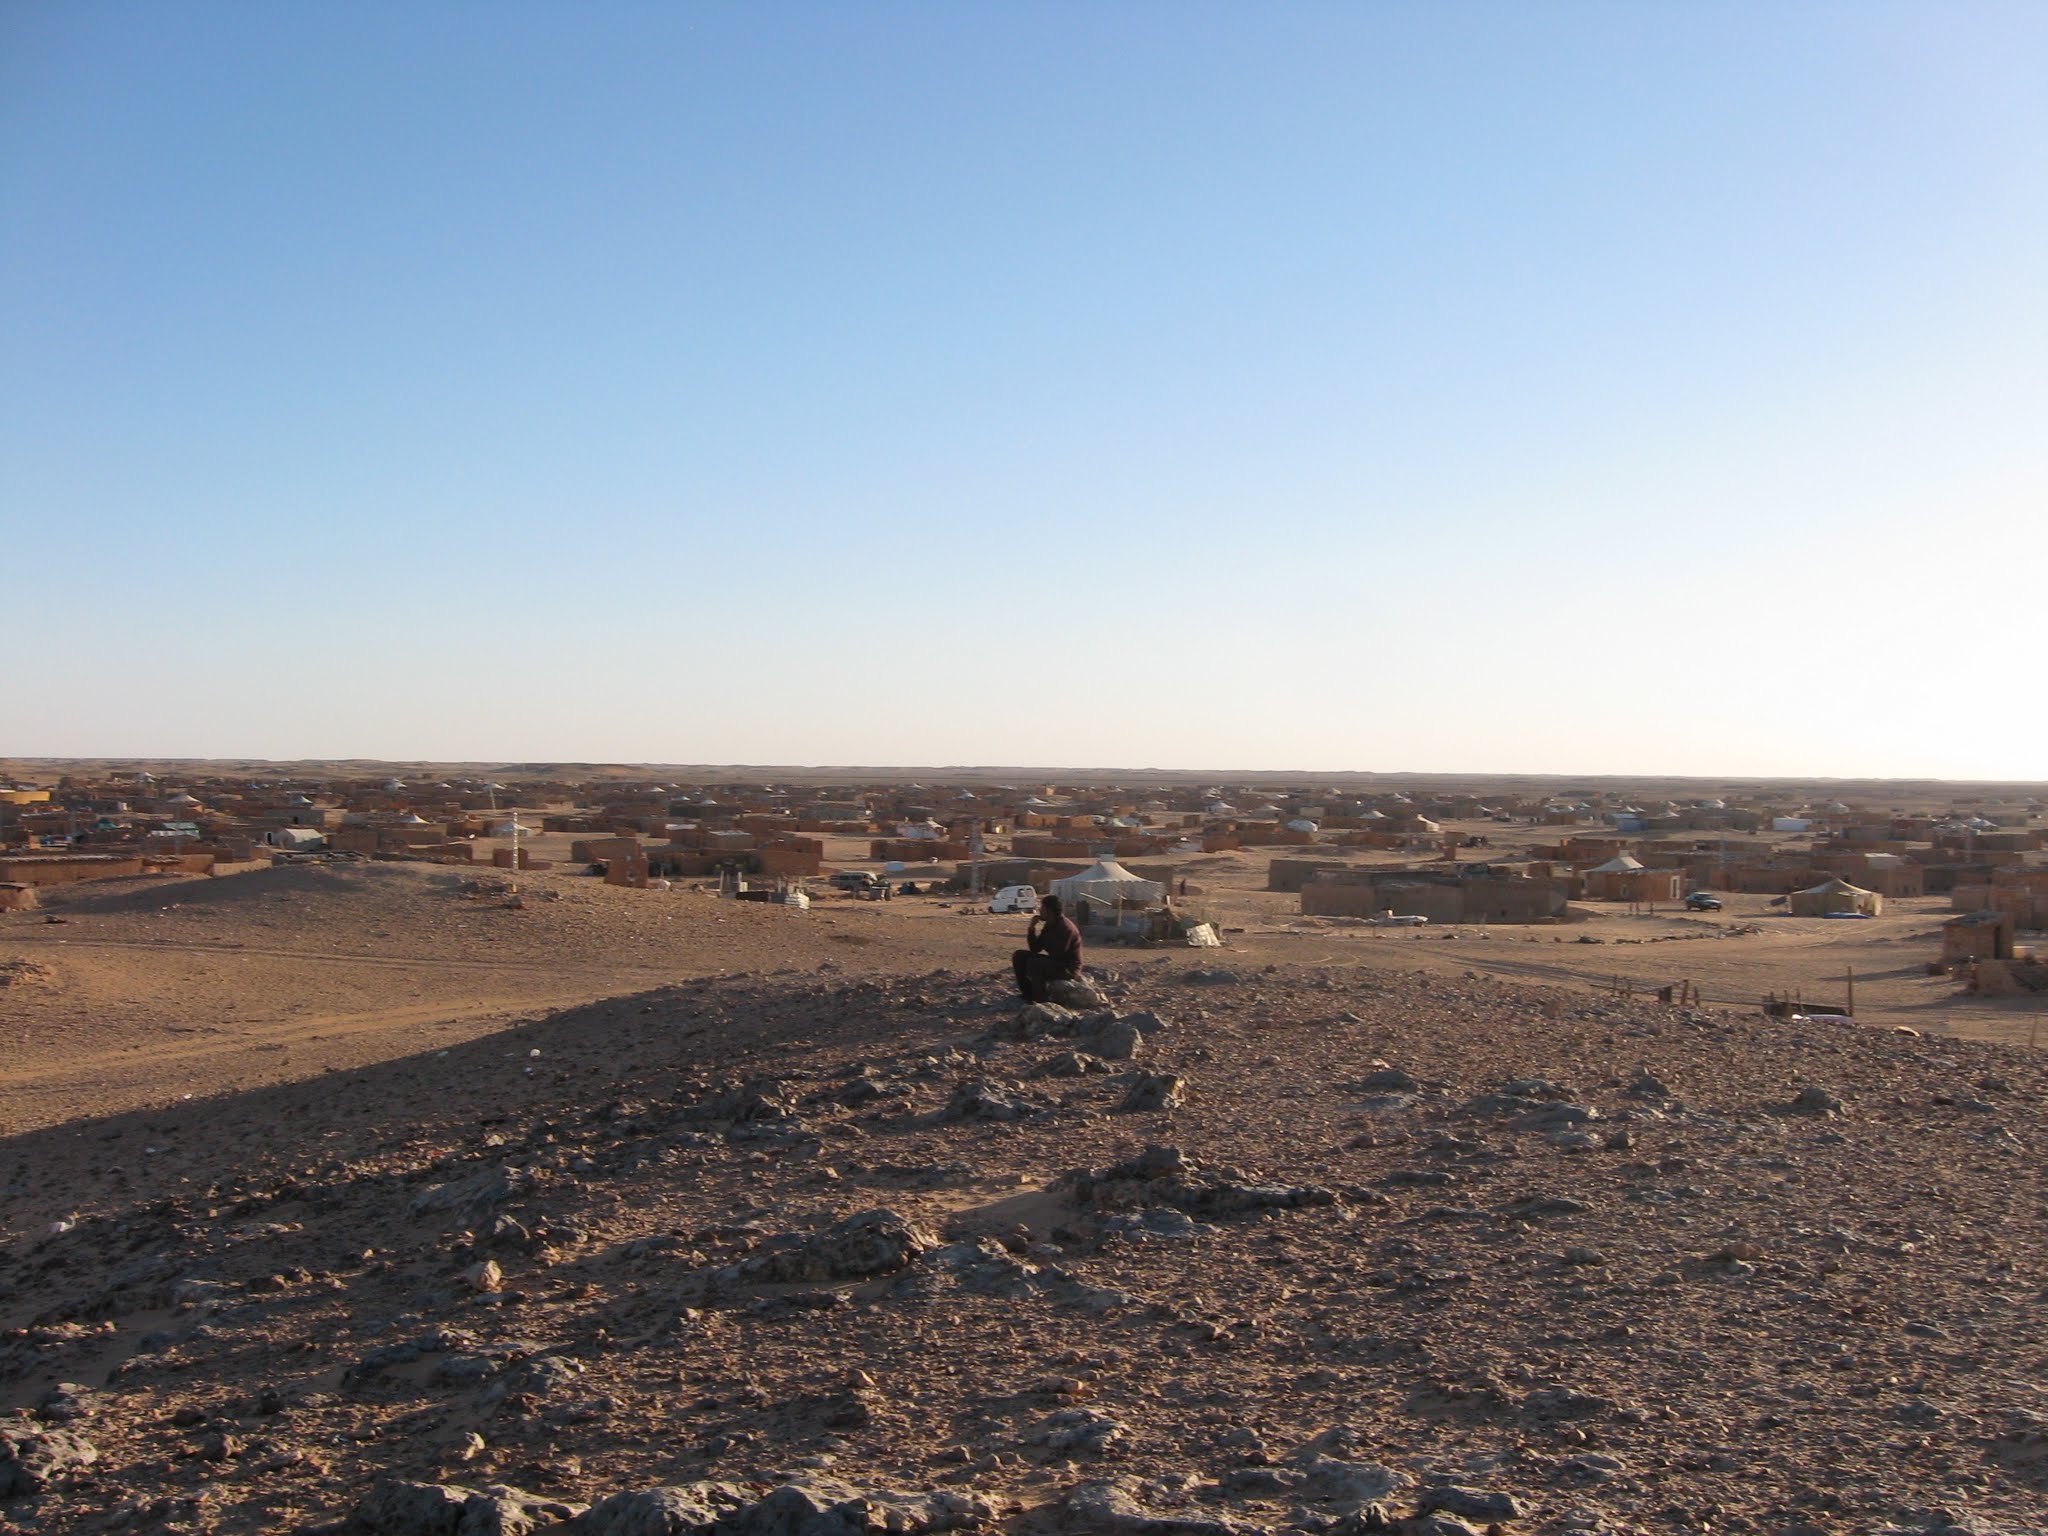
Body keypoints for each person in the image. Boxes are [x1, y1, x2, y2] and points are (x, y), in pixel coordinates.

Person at [1012, 893, 1083, 1003]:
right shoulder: (1050, 924)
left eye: (1042, 908)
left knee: (1035, 963)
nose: (1040, 911)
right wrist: (1032, 928)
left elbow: (1059, 954)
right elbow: (1035, 948)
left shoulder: (1064, 927)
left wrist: (1042, 953)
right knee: (1019, 956)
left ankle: (1041, 999)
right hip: (1057, 961)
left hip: (1068, 968)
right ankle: (1028, 993)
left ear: (1049, 911)